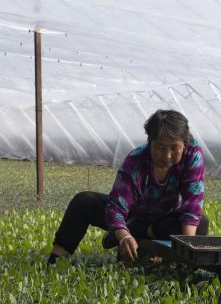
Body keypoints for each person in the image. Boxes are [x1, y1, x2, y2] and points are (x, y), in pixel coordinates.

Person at [49, 110, 208, 264]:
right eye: (160, 147)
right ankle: (58, 258)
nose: (167, 155)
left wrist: (187, 253)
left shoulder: (192, 154)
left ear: (184, 144)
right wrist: (123, 235)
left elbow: (192, 204)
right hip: (133, 213)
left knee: (200, 223)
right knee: (84, 201)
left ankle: (139, 232)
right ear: (150, 142)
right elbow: (116, 206)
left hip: (165, 219)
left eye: (175, 148)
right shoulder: (136, 159)